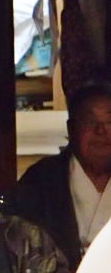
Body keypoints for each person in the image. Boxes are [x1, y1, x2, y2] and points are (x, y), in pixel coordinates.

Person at [10, 82, 111, 269]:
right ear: (71, 128)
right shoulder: (41, 181)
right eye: (90, 121)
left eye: (109, 122)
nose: (101, 131)